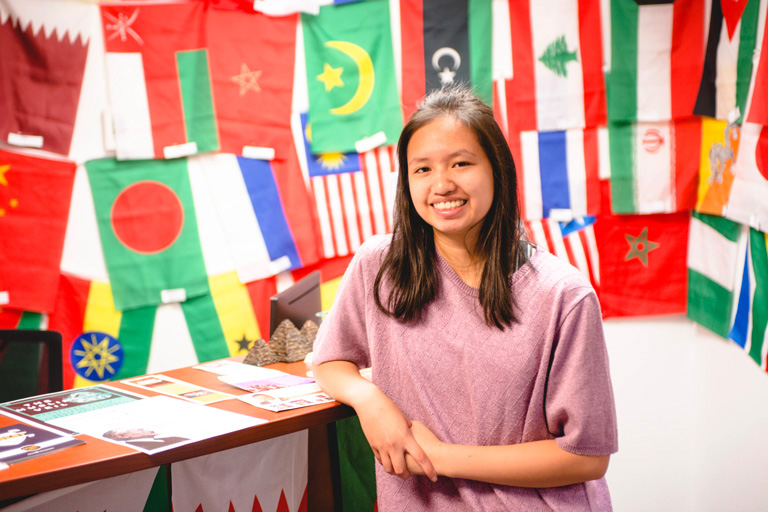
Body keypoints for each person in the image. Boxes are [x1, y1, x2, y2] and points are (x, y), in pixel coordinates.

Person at [312, 85, 618, 511]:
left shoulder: (563, 296)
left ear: (496, 170)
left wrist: (438, 457)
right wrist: (370, 401)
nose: (442, 184)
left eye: (460, 163)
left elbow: (586, 456)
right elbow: (329, 362)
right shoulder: (379, 265)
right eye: (422, 169)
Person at [102, 427, 189, 450]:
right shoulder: (141, 448)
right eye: (137, 429)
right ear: (123, 436)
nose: (142, 428)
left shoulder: (169, 438)